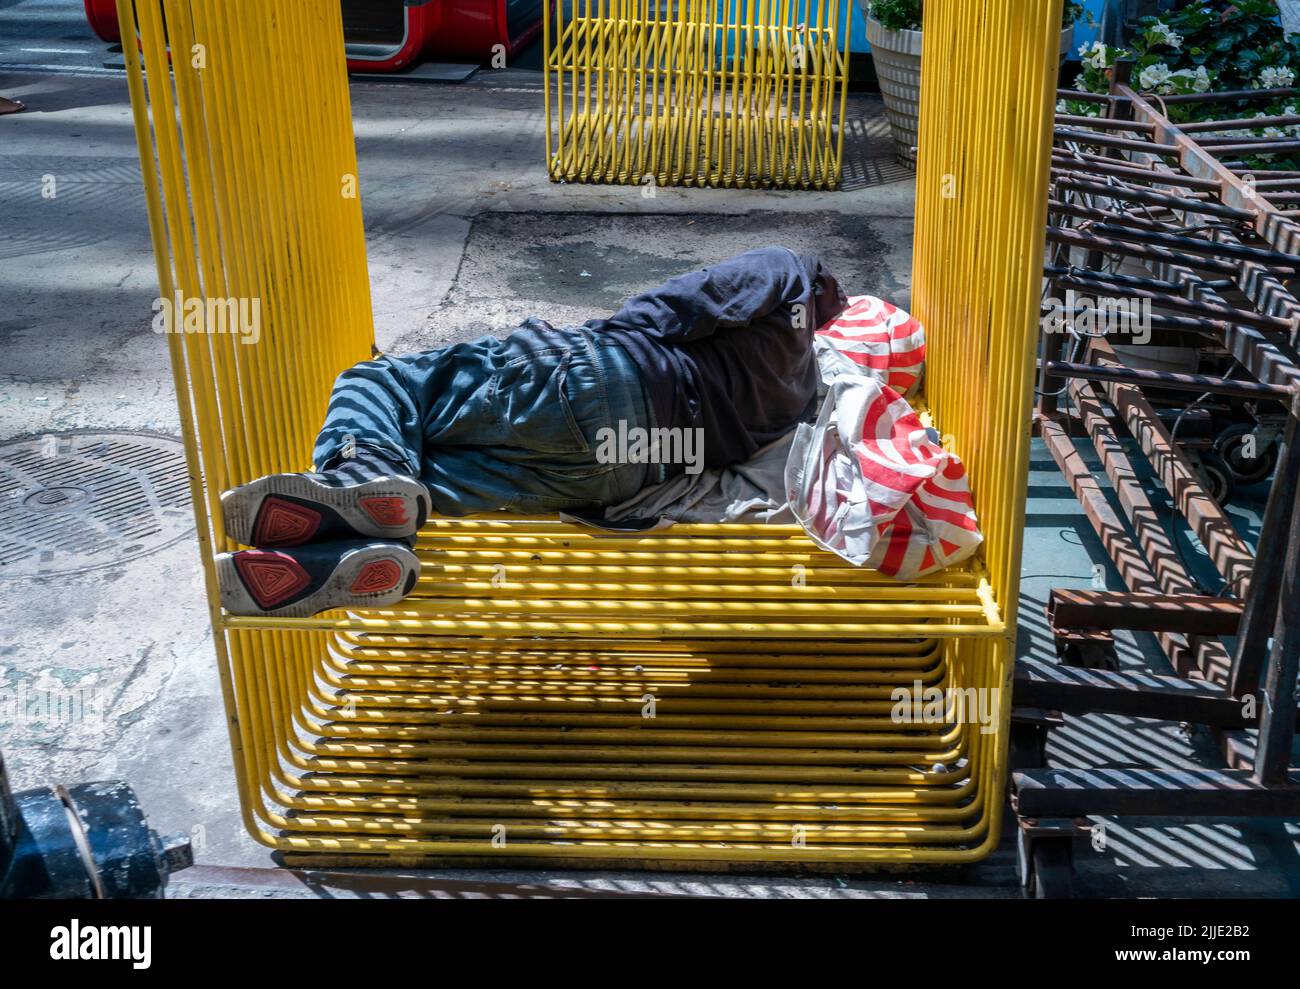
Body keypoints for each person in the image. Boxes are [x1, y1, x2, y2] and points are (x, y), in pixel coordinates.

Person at [216, 246, 847, 617]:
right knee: (418, 478)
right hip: (623, 472)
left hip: (602, 383)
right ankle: (330, 558)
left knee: (384, 384)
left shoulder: (787, 270)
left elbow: (669, 308)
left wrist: (593, 343)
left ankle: (353, 473)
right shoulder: (796, 400)